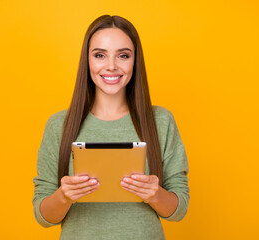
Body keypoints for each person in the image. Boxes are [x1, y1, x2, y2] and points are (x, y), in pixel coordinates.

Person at [32, 15, 189, 239]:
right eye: (99, 55)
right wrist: (64, 196)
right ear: (87, 61)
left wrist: (155, 194)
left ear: (135, 61)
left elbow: (178, 210)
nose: (112, 66)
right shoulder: (59, 125)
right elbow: (43, 216)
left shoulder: (161, 121)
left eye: (123, 55)